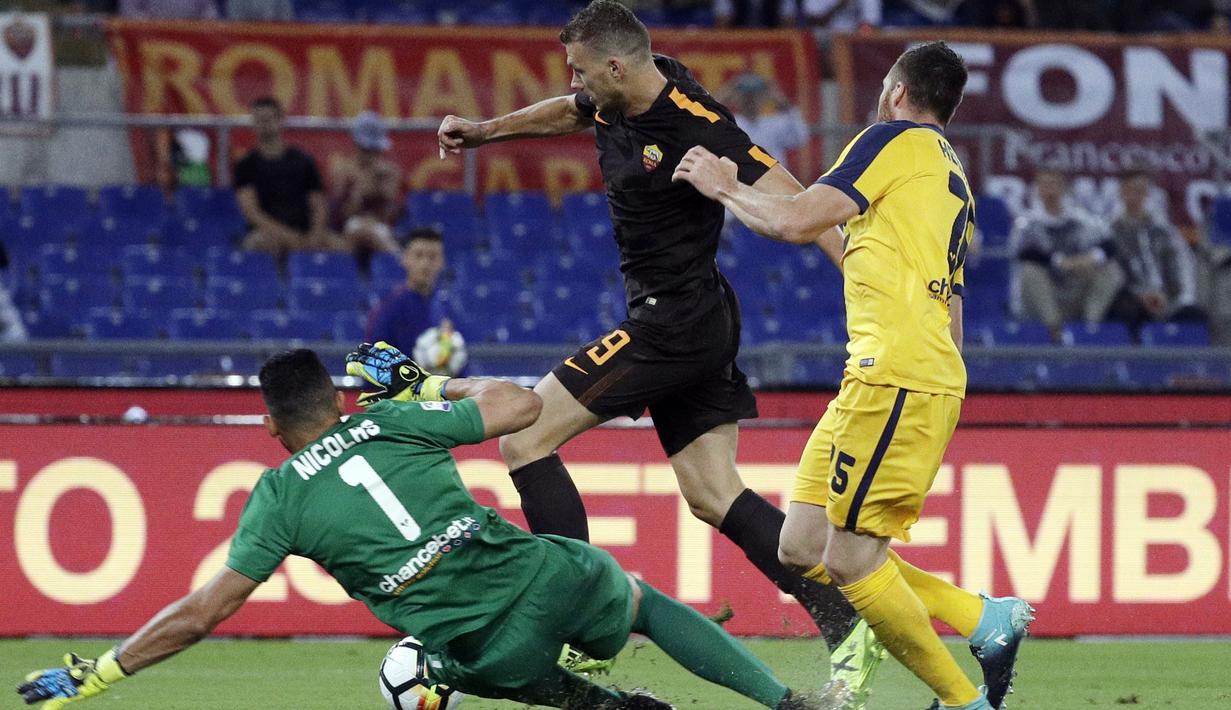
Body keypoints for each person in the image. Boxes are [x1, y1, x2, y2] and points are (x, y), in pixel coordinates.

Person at [437, 0, 877, 699]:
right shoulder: (619, 95)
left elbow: (799, 202)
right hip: (690, 316)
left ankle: (581, 627)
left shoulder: (697, 126)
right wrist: (487, 131)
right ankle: (848, 625)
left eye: (581, 70)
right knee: (712, 494)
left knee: (524, 438)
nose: (574, 83)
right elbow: (572, 112)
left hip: (672, 323)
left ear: (614, 64)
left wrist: (867, 286)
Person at [15, 345, 848, 710]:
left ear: (272, 428)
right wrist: (427, 384)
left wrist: (103, 674)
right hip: (551, 578)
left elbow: (204, 613)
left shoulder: (276, 495)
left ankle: (605, 707)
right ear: (339, 402)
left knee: (426, 667)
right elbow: (522, 406)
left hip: (492, 645)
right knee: (635, 598)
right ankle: (785, 704)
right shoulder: (391, 422)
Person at [672, 41, 1033, 710]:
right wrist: (936, 375)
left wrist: (723, 186)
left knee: (848, 562)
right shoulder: (947, 172)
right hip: (890, 372)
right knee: (800, 544)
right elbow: (945, 302)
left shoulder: (891, 141)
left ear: (897, 91)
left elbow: (795, 218)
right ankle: (981, 618)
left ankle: (964, 702)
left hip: (895, 374)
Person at [1013, 168, 1122, 342]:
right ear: (1038, 189)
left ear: (1063, 187)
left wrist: (1090, 258)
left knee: (1111, 269)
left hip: (1075, 292)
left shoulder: (1080, 219)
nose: (1050, 190)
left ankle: (1088, 327)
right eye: (1044, 184)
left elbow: (1110, 245)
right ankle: (1054, 330)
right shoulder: (1028, 222)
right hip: (1044, 299)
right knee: (1029, 272)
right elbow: (1023, 253)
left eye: (1054, 184)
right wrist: (1059, 261)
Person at [235, 97, 342, 260]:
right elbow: (252, 212)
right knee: (264, 243)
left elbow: (318, 204)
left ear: (280, 120)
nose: (264, 125)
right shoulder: (246, 165)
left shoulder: (303, 160)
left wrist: (315, 234)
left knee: (343, 247)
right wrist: (287, 236)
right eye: (259, 120)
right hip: (266, 233)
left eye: (268, 119)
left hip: (304, 231)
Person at [1107, 170, 1205, 327]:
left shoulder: (1164, 231)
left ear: (1147, 194)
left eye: (1140, 190)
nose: (1135, 195)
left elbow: (1181, 266)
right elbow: (1112, 272)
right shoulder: (1110, 230)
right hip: (1130, 299)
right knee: (1125, 310)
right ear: (1122, 192)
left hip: (1166, 298)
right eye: (1130, 190)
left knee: (1194, 316)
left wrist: (1172, 296)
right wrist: (1140, 295)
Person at [366, 228, 459, 371]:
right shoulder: (388, 309)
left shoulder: (447, 307)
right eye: (418, 255)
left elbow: (459, 357)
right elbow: (373, 366)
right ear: (405, 259)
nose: (425, 264)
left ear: (442, 262)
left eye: (432, 256)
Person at [330, 111, 404, 259]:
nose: (372, 155)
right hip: (348, 229)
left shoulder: (389, 172)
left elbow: (391, 216)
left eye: (375, 150)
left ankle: (402, 264)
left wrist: (385, 193)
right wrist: (360, 194)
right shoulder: (343, 170)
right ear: (357, 145)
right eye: (367, 150)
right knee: (361, 231)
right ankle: (402, 263)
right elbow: (337, 218)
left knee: (371, 231)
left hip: (380, 228)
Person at [721, 73, 809, 175]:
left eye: (755, 96)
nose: (751, 100)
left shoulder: (776, 123)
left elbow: (800, 138)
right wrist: (721, 99)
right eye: (746, 96)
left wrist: (783, 103)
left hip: (774, 181)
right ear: (736, 99)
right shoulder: (729, 123)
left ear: (763, 98)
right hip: (740, 182)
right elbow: (705, 127)